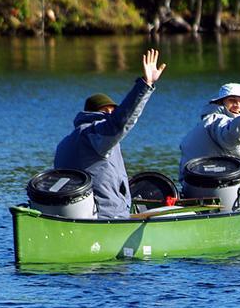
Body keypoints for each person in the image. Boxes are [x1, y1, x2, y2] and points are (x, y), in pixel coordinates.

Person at [54, 49, 166, 219]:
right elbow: (120, 122)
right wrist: (145, 84)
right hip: (106, 217)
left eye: (113, 111)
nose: (110, 115)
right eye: (107, 111)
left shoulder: (64, 143)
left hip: (74, 215)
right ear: (97, 114)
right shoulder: (95, 133)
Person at [178, 78, 240, 207]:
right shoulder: (219, 122)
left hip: (191, 197)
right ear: (221, 103)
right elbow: (233, 135)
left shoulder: (202, 126)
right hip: (229, 204)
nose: (238, 105)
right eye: (232, 100)